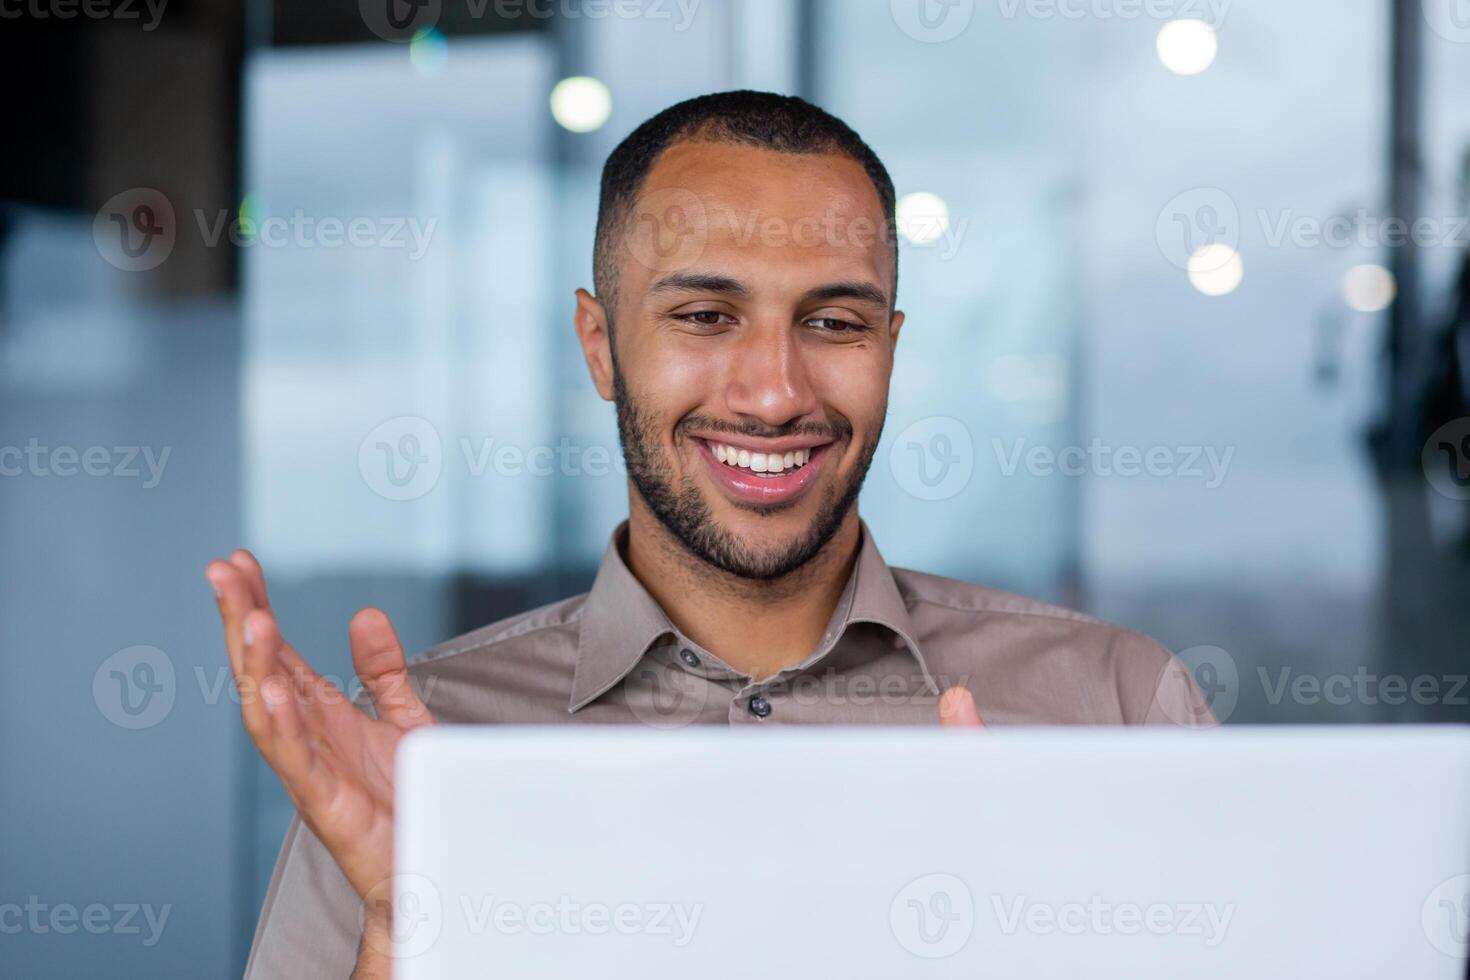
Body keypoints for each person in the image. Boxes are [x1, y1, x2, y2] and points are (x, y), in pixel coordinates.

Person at [206, 90, 1213, 979]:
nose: (774, 394)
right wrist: (402, 931)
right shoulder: (421, 755)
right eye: (704, 315)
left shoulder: (1114, 709)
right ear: (599, 346)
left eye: (833, 323)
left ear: (890, 348)